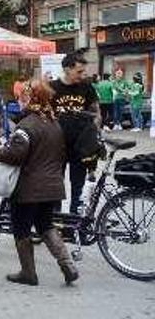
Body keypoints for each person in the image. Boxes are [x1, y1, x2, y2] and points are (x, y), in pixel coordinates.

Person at [0, 81, 79, 287]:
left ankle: (28, 273)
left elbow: (16, 154)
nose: (19, 101)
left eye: (21, 98)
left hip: (28, 188)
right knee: (46, 225)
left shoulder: (26, 125)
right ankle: (68, 265)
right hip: (52, 186)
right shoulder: (53, 122)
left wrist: (1, 151)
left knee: (22, 228)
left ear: (29, 99)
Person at [49, 50, 101, 214]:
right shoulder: (52, 88)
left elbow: (96, 112)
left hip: (80, 146)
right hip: (57, 146)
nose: (83, 75)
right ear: (66, 69)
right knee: (55, 186)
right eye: (79, 71)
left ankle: (75, 224)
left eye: (83, 71)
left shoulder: (86, 87)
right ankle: (55, 222)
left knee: (78, 186)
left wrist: (94, 133)